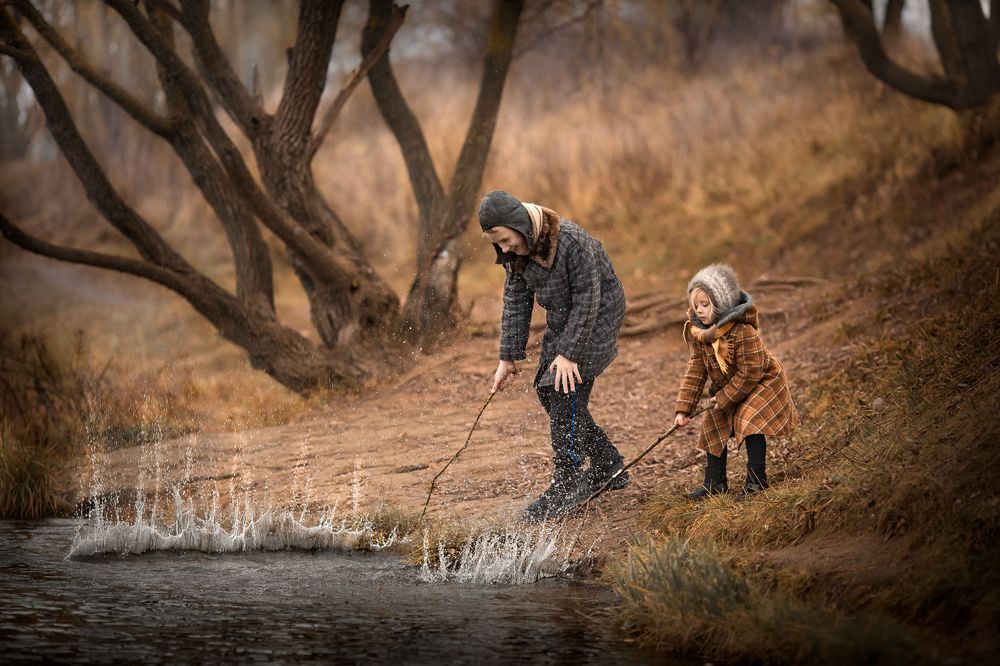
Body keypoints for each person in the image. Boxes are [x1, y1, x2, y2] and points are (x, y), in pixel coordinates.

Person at [479, 190, 628, 521]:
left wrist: (570, 354)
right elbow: (516, 299)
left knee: (565, 389)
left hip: (600, 312)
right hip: (565, 316)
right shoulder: (516, 252)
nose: (504, 249)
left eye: (505, 239)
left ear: (519, 224)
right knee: (547, 390)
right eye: (497, 243)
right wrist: (508, 356)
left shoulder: (571, 241)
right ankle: (607, 463)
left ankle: (568, 481)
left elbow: (590, 296)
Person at [673, 264, 799, 499]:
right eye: (696, 305)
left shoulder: (743, 331)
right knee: (713, 423)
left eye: (705, 304)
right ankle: (715, 484)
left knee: (749, 420)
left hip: (762, 382)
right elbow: (696, 371)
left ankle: (756, 481)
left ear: (720, 304)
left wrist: (722, 398)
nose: (699, 311)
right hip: (730, 386)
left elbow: (750, 373)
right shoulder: (701, 334)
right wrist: (684, 408)